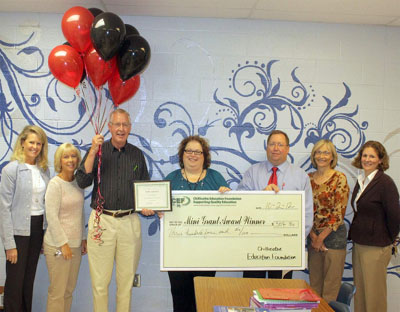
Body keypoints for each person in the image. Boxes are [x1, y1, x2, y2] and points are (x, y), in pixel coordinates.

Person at [75, 108, 154, 312]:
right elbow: (82, 181)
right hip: (102, 221)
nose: (121, 128)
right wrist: (92, 150)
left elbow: (145, 187)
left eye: (125, 124)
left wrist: (149, 206)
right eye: (117, 124)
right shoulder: (97, 151)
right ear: (109, 127)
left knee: (126, 284)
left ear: (130, 128)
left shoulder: (137, 154)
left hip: (129, 221)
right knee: (100, 284)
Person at [165, 135, 230, 312]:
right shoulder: (171, 178)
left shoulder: (216, 178)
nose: (192, 155)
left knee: (204, 297)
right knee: (179, 297)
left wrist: (228, 196)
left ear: (204, 156)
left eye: (197, 152)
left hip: (207, 250)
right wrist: (155, 209)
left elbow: (231, 211)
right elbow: (159, 206)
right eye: (189, 151)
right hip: (177, 250)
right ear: (182, 154)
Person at [237, 129, 313, 279]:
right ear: (267, 147)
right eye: (272, 144)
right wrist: (261, 196)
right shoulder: (252, 172)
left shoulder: (301, 176)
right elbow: (241, 204)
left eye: (280, 144)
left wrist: (293, 240)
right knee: (251, 288)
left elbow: (307, 213)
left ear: (287, 149)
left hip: (284, 247)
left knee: (279, 293)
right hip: (254, 245)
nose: (276, 148)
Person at [0, 125, 50, 312]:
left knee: (28, 280)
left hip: (37, 229)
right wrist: (9, 244)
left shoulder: (44, 171)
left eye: (39, 143)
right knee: (15, 281)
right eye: (31, 142)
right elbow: (3, 209)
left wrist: (45, 236)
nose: (35, 147)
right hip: (18, 232)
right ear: (22, 143)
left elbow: (44, 205)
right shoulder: (11, 170)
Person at [349, 140, 400, 312]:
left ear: (380, 160)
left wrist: (389, 239)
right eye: (365, 155)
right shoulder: (362, 180)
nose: (367, 159)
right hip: (360, 244)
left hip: (376, 247)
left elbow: (395, 215)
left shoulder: (385, 183)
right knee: (361, 293)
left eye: (372, 156)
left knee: (374, 295)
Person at [43, 143, 87, 311]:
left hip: (75, 245)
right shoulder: (55, 184)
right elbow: (51, 217)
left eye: (73, 156)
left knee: (68, 291)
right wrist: (63, 243)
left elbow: (80, 212)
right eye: (66, 156)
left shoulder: (78, 183)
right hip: (58, 246)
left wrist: (83, 237)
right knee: (57, 292)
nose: (70, 160)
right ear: (59, 160)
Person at [307, 139, 349, 302]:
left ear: (332, 157)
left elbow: (338, 213)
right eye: (318, 152)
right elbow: (304, 210)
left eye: (326, 152)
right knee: (314, 289)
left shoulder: (340, 178)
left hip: (333, 239)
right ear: (314, 155)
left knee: (330, 291)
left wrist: (321, 238)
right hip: (313, 239)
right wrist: (313, 237)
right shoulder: (307, 179)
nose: (322, 156)